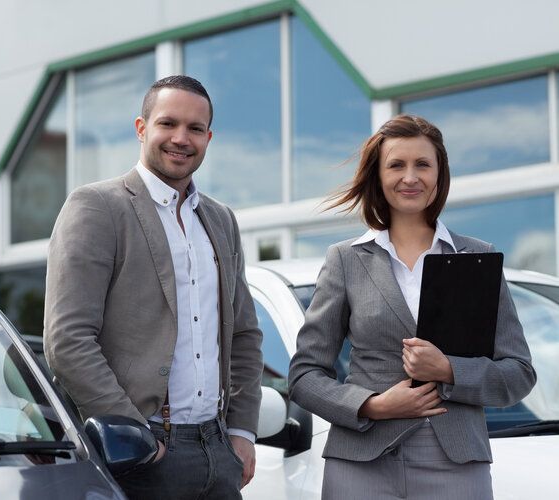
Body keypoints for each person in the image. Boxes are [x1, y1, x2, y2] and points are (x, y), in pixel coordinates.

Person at [288, 114, 536, 500]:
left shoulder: (478, 257)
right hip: (360, 461)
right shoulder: (345, 260)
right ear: (378, 175)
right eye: (396, 165)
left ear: (440, 175)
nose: (410, 177)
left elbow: (519, 374)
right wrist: (370, 405)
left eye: (423, 164)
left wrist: (450, 370)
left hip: (456, 461)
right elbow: (304, 376)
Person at [43, 75, 263, 500]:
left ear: (209, 137)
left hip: (218, 452)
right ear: (142, 128)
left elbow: (244, 334)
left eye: (195, 129)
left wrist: (241, 431)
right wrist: (136, 437)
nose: (181, 138)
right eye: (168, 124)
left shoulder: (221, 220)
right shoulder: (97, 207)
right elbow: (68, 340)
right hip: (138, 455)